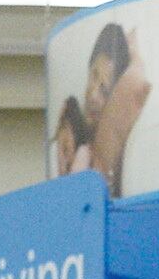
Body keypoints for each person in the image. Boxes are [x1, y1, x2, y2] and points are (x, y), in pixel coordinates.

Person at [60, 21, 151, 192]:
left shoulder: (102, 156)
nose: (93, 95)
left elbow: (135, 84)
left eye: (104, 89)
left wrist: (134, 54)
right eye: (93, 76)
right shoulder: (70, 123)